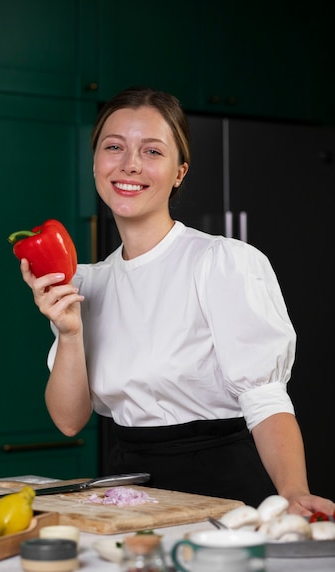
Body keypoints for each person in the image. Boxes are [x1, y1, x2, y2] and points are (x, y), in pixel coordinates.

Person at [20, 86, 335, 514]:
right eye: (114, 147)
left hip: (223, 491)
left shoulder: (221, 262)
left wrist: (294, 492)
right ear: (95, 162)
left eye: (152, 151)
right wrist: (71, 332)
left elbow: (265, 398)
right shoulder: (87, 282)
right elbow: (69, 420)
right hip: (130, 496)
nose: (130, 164)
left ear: (180, 171)